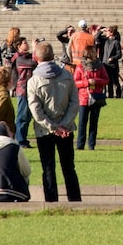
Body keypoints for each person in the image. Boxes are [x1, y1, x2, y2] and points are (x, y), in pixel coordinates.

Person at [27, 41, 81, 202]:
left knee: (48, 167)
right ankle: (75, 200)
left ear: (36, 57)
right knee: (69, 167)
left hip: (44, 130)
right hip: (66, 128)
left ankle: (51, 201)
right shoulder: (67, 75)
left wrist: (52, 126)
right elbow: (74, 103)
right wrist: (64, 123)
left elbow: (36, 111)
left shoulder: (34, 81)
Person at [74, 45, 109, 151]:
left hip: (96, 97)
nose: (96, 53)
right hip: (84, 97)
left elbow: (106, 80)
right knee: (82, 122)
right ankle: (80, 144)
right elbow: (75, 82)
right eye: (93, 52)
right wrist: (86, 83)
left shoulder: (100, 66)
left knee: (94, 122)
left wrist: (96, 81)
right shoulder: (80, 67)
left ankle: (91, 144)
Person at [11, 38, 38, 147]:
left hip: (30, 89)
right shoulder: (19, 58)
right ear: (19, 46)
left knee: (27, 116)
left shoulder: (26, 56)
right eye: (24, 43)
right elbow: (33, 63)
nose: (27, 44)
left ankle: (23, 140)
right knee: (22, 116)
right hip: (23, 90)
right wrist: (35, 49)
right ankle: (20, 140)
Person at [101, 26, 122, 98]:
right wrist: (102, 31)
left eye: (108, 31)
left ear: (111, 33)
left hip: (113, 65)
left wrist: (113, 58)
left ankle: (118, 95)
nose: (106, 32)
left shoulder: (116, 42)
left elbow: (119, 54)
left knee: (116, 81)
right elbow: (96, 37)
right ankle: (110, 95)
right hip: (106, 64)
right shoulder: (106, 41)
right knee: (109, 82)